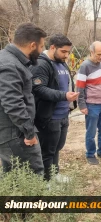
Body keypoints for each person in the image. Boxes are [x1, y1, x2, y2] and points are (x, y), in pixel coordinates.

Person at [30, 34, 78, 181]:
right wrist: (64, 96)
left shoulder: (61, 63)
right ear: (52, 47)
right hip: (50, 117)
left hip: (63, 115)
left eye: (68, 52)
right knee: (47, 152)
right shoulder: (41, 64)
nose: (67, 55)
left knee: (57, 148)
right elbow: (38, 89)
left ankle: (54, 174)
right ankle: (46, 181)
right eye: (64, 51)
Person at [0, 23, 46, 175]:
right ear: (33, 45)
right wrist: (29, 132)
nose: (42, 51)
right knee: (32, 175)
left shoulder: (9, 59)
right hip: (16, 134)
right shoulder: (10, 65)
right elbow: (12, 102)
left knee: (14, 178)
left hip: (12, 132)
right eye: (41, 47)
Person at [76, 41, 101, 165]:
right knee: (91, 132)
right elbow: (80, 87)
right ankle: (90, 154)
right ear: (91, 52)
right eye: (98, 54)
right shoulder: (85, 66)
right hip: (91, 104)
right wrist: (82, 105)